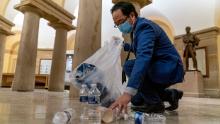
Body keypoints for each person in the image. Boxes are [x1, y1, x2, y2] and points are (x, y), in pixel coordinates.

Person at [109, 2, 185, 113]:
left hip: (169, 67)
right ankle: (170, 95)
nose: (120, 26)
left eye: (120, 21)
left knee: (129, 66)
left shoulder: (144, 27)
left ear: (132, 15)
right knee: (137, 99)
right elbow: (139, 48)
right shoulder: (136, 28)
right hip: (160, 66)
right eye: (116, 24)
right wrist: (122, 45)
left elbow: (143, 56)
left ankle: (155, 104)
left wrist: (127, 93)